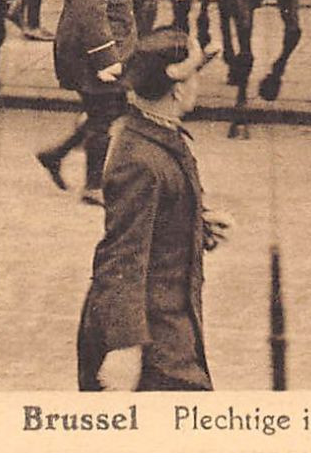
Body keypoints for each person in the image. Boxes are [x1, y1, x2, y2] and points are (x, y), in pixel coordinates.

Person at [76, 28, 228, 391]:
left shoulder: (158, 134)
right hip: (150, 341)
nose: (197, 87)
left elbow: (156, 220)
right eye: (195, 77)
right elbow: (121, 258)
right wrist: (125, 348)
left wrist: (196, 223)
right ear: (177, 88)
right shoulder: (140, 160)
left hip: (171, 331)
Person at [43, 0, 140, 207]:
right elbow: (90, 9)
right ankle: (93, 186)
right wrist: (105, 59)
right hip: (88, 50)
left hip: (100, 45)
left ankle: (55, 154)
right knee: (103, 114)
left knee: (107, 109)